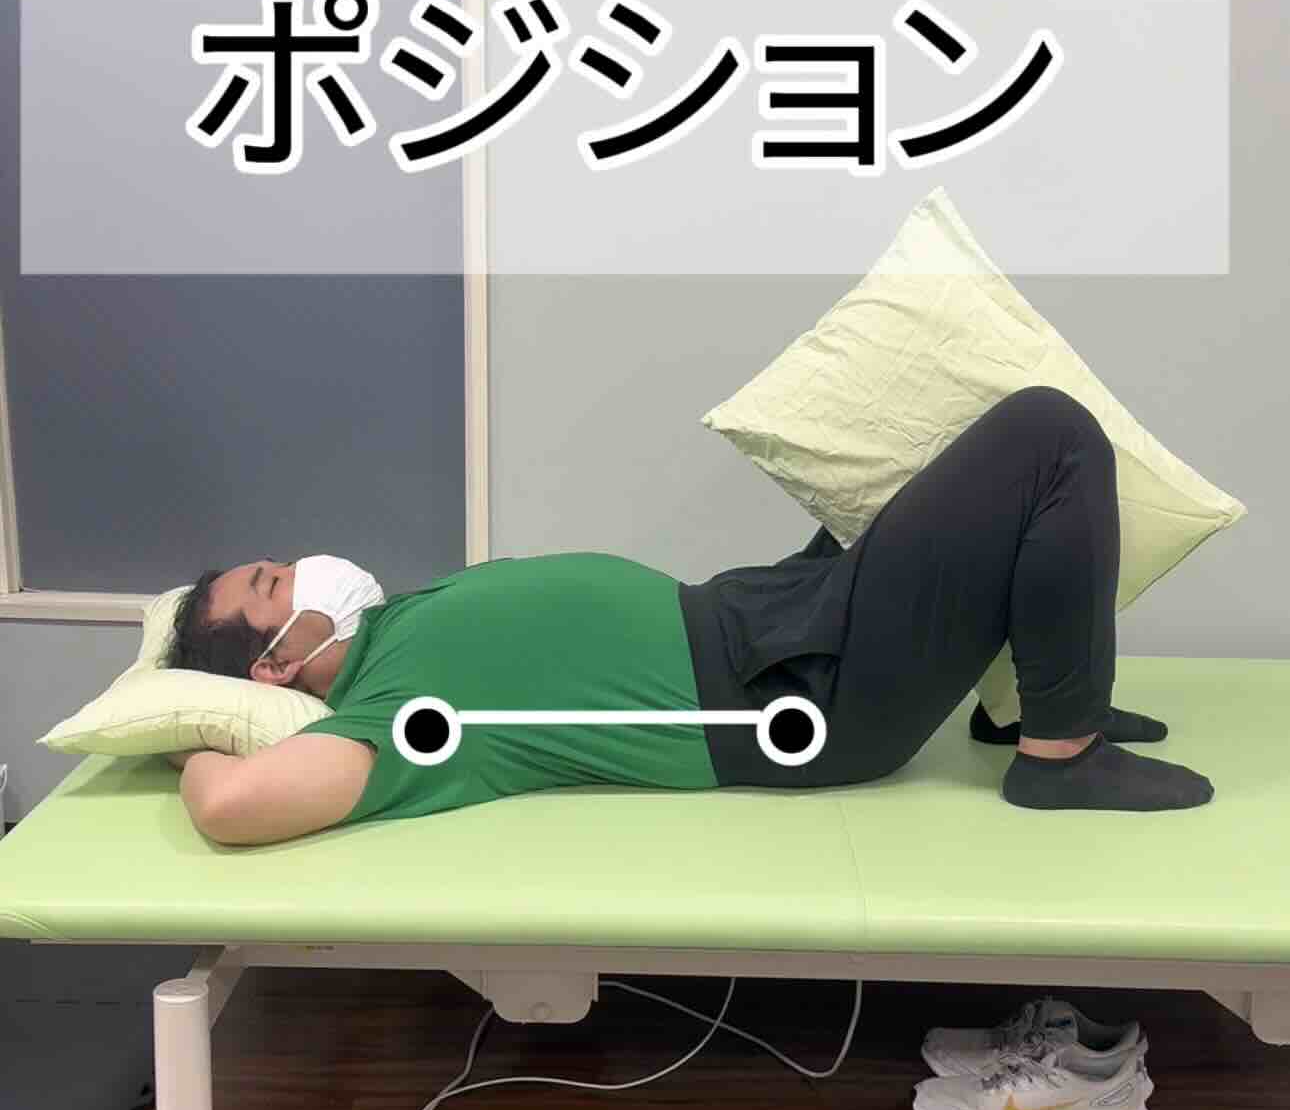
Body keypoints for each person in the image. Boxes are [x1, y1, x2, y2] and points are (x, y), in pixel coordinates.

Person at [164, 385, 1213, 847]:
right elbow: (230, 806)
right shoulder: (392, 717)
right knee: (1048, 434)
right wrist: (197, 731)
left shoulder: (397, 625)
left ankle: (1028, 700)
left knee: (949, 446)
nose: (300, 569)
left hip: (766, 621)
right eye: (273, 585)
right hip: (797, 699)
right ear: (272, 667)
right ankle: (1059, 755)